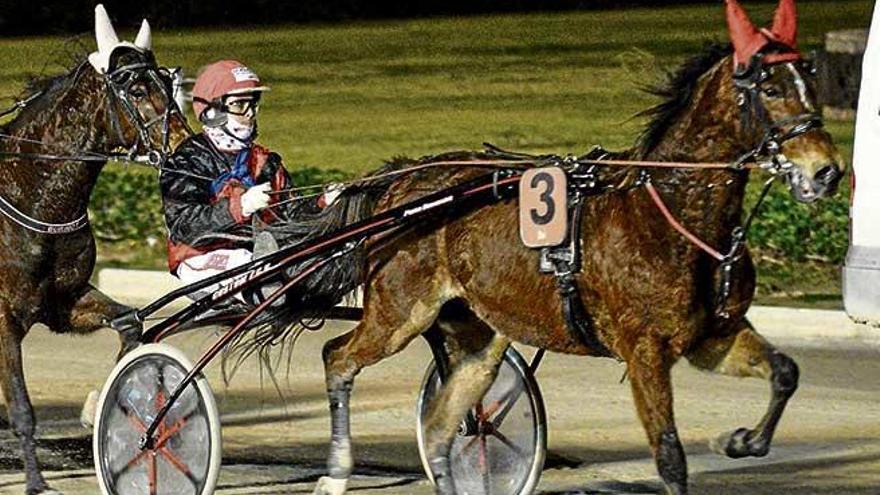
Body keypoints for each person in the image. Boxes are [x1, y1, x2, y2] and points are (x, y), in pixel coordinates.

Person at [160, 60, 292, 299]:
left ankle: (267, 275)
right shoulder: (187, 161)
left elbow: (291, 212)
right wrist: (239, 207)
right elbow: (183, 226)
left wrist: (324, 203)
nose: (250, 112)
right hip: (199, 257)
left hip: (258, 252)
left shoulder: (267, 162)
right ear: (213, 110)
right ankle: (261, 287)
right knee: (242, 260)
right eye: (240, 104)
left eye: (253, 103)